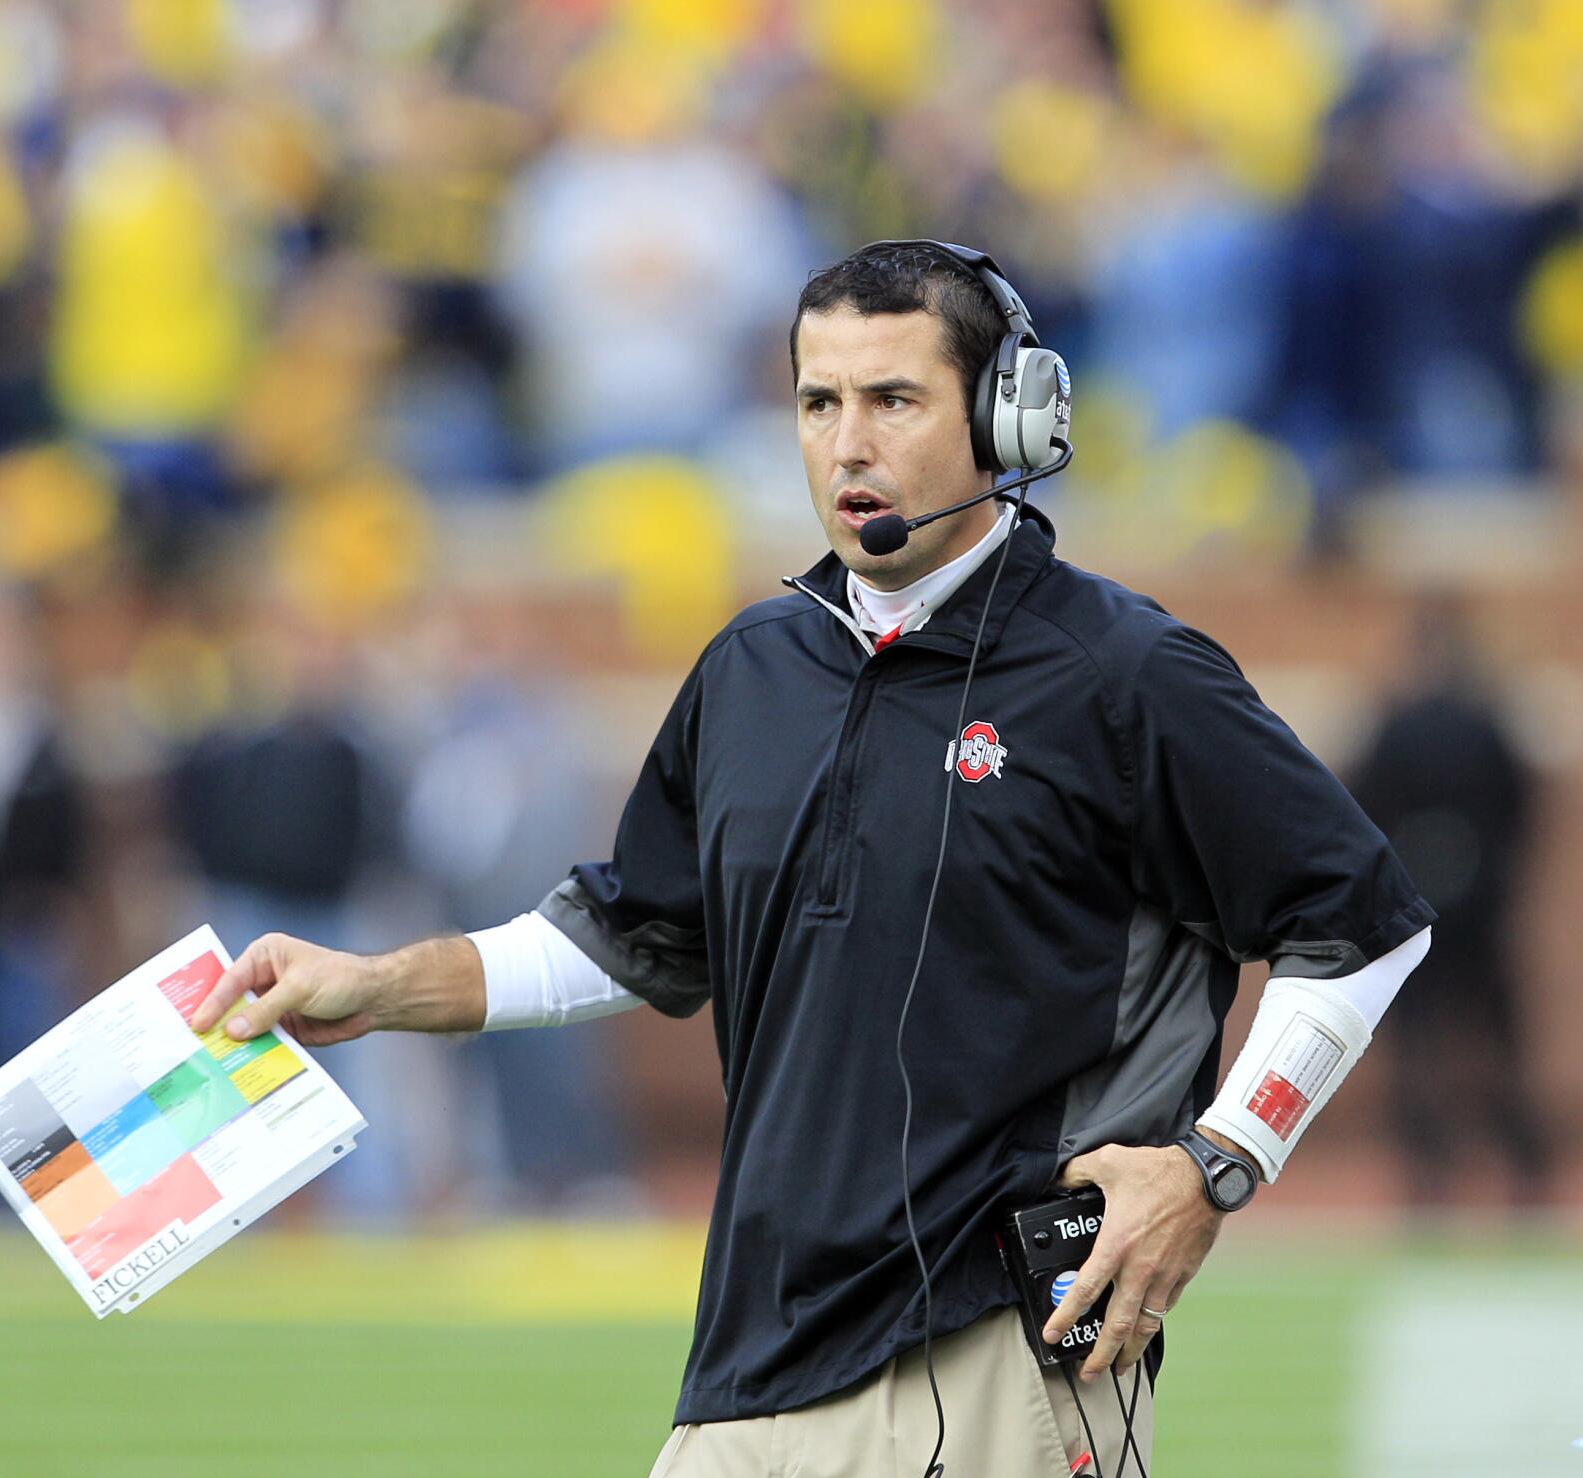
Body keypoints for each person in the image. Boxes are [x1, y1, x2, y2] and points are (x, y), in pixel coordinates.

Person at [190, 241, 1436, 1475]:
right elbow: (634, 932)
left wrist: (1216, 1164)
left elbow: (1363, 920)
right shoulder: (750, 668)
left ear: (1007, 417)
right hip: (746, 1357)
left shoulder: (1126, 671)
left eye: (892, 398)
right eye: (816, 401)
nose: (846, 444)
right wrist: (374, 984)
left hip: (994, 1347)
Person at [1349, 593, 1550, 1208]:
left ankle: (1432, 1174)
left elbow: (1363, 811)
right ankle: (1520, 1169)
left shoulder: (1395, 723)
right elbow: (1521, 809)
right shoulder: (1487, 721)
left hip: (1417, 910)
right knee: (1493, 1039)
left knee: (1424, 1046)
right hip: (1477, 905)